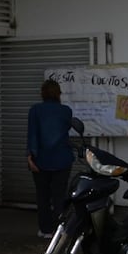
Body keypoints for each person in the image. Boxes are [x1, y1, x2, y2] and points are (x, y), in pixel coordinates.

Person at [27, 79, 74, 238]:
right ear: (58, 93)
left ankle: (45, 229)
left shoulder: (35, 110)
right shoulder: (66, 111)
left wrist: (30, 157)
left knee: (43, 197)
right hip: (62, 159)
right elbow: (66, 128)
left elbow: (32, 134)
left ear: (42, 93)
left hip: (41, 159)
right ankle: (58, 231)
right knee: (59, 197)